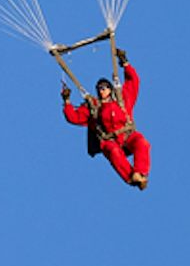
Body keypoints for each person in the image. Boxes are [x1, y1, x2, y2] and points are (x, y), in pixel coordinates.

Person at [60, 47, 147, 189]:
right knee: (114, 152)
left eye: (105, 87)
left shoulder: (122, 99)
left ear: (110, 88)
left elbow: (133, 81)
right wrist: (67, 101)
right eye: (99, 88)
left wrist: (125, 63)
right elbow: (73, 117)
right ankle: (131, 178)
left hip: (127, 136)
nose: (102, 90)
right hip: (109, 141)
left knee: (142, 143)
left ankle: (140, 174)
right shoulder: (93, 107)